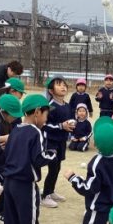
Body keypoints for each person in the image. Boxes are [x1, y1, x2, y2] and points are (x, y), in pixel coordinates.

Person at [3, 94, 56, 224]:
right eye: (46, 114)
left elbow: (7, 155)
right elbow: (39, 159)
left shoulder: (15, 130)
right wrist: (53, 154)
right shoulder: (35, 132)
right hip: (25, 185)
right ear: (37, 112)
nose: (46, 119)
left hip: (9, 183)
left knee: (11, 222)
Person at [64, 117, 113, 224]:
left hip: (99, 211)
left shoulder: (97, 162)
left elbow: (89, 188)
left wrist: (73, 178)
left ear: (96, 144)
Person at [0, 95, 24, 224]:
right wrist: (4, 139)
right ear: (4, 112)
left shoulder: (8, 121)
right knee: (10, 182)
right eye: (13, 114)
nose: (15, 118)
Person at [42, 76, 75, 208]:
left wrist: (72, 125)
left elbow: (69, 121)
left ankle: (51, 191)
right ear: (51, 91)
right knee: (53, 167)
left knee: (58, 167)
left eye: (64, 85)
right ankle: (45, 196)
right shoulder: (50, 107)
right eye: (58, 84)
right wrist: (61, 126)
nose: (63, 87)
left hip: (62, 141)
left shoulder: (67, 106)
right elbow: (45, 125)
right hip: (51, 141)